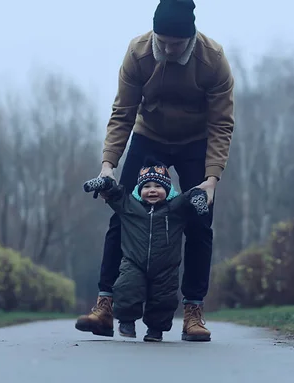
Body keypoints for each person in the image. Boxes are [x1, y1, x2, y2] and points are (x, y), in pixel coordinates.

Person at [74, 0, 235, 342]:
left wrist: (210, 180)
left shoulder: (213, 60)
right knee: (122, 215)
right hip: (150, 137)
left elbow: (221, 124)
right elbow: (122, 113)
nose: (166, 48)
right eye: (161, 41)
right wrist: (108, 166)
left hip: (195, 141)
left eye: (175, 44)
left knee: (200, 222)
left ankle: (193, 310)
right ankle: (105, 305)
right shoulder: (138, 52)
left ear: (190, 38)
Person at [82, 157, 210, 342]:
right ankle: (126, 322)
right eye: (146, 186)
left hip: (166, 267)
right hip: (133, 263)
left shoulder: (175, 209)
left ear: (167, 190)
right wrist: (104, 184)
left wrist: (199, 198)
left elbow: (191, 196)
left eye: (158, 187)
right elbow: (115, 194)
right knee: (126, 289)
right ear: (139, 189)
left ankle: (155, 330)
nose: (152, 190)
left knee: (163, 300)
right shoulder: (130, 206)